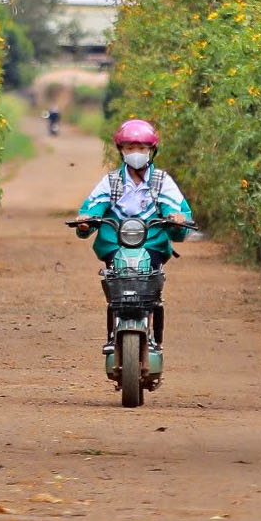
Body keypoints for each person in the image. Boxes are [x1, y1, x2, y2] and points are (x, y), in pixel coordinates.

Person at [75, 120, 194, 350]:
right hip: (115, 243)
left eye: (142, 148)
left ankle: (151, 333)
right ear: (121, 151)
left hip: (151, 242)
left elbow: (176, 208)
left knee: (151, 284)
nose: (136, 153)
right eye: (130, 148)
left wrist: (176, 218)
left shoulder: (161, 181)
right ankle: (112, 334)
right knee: (115, 286)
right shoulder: (111, 181)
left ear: (151, 151)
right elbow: (92, 207)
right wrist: (85, 221)